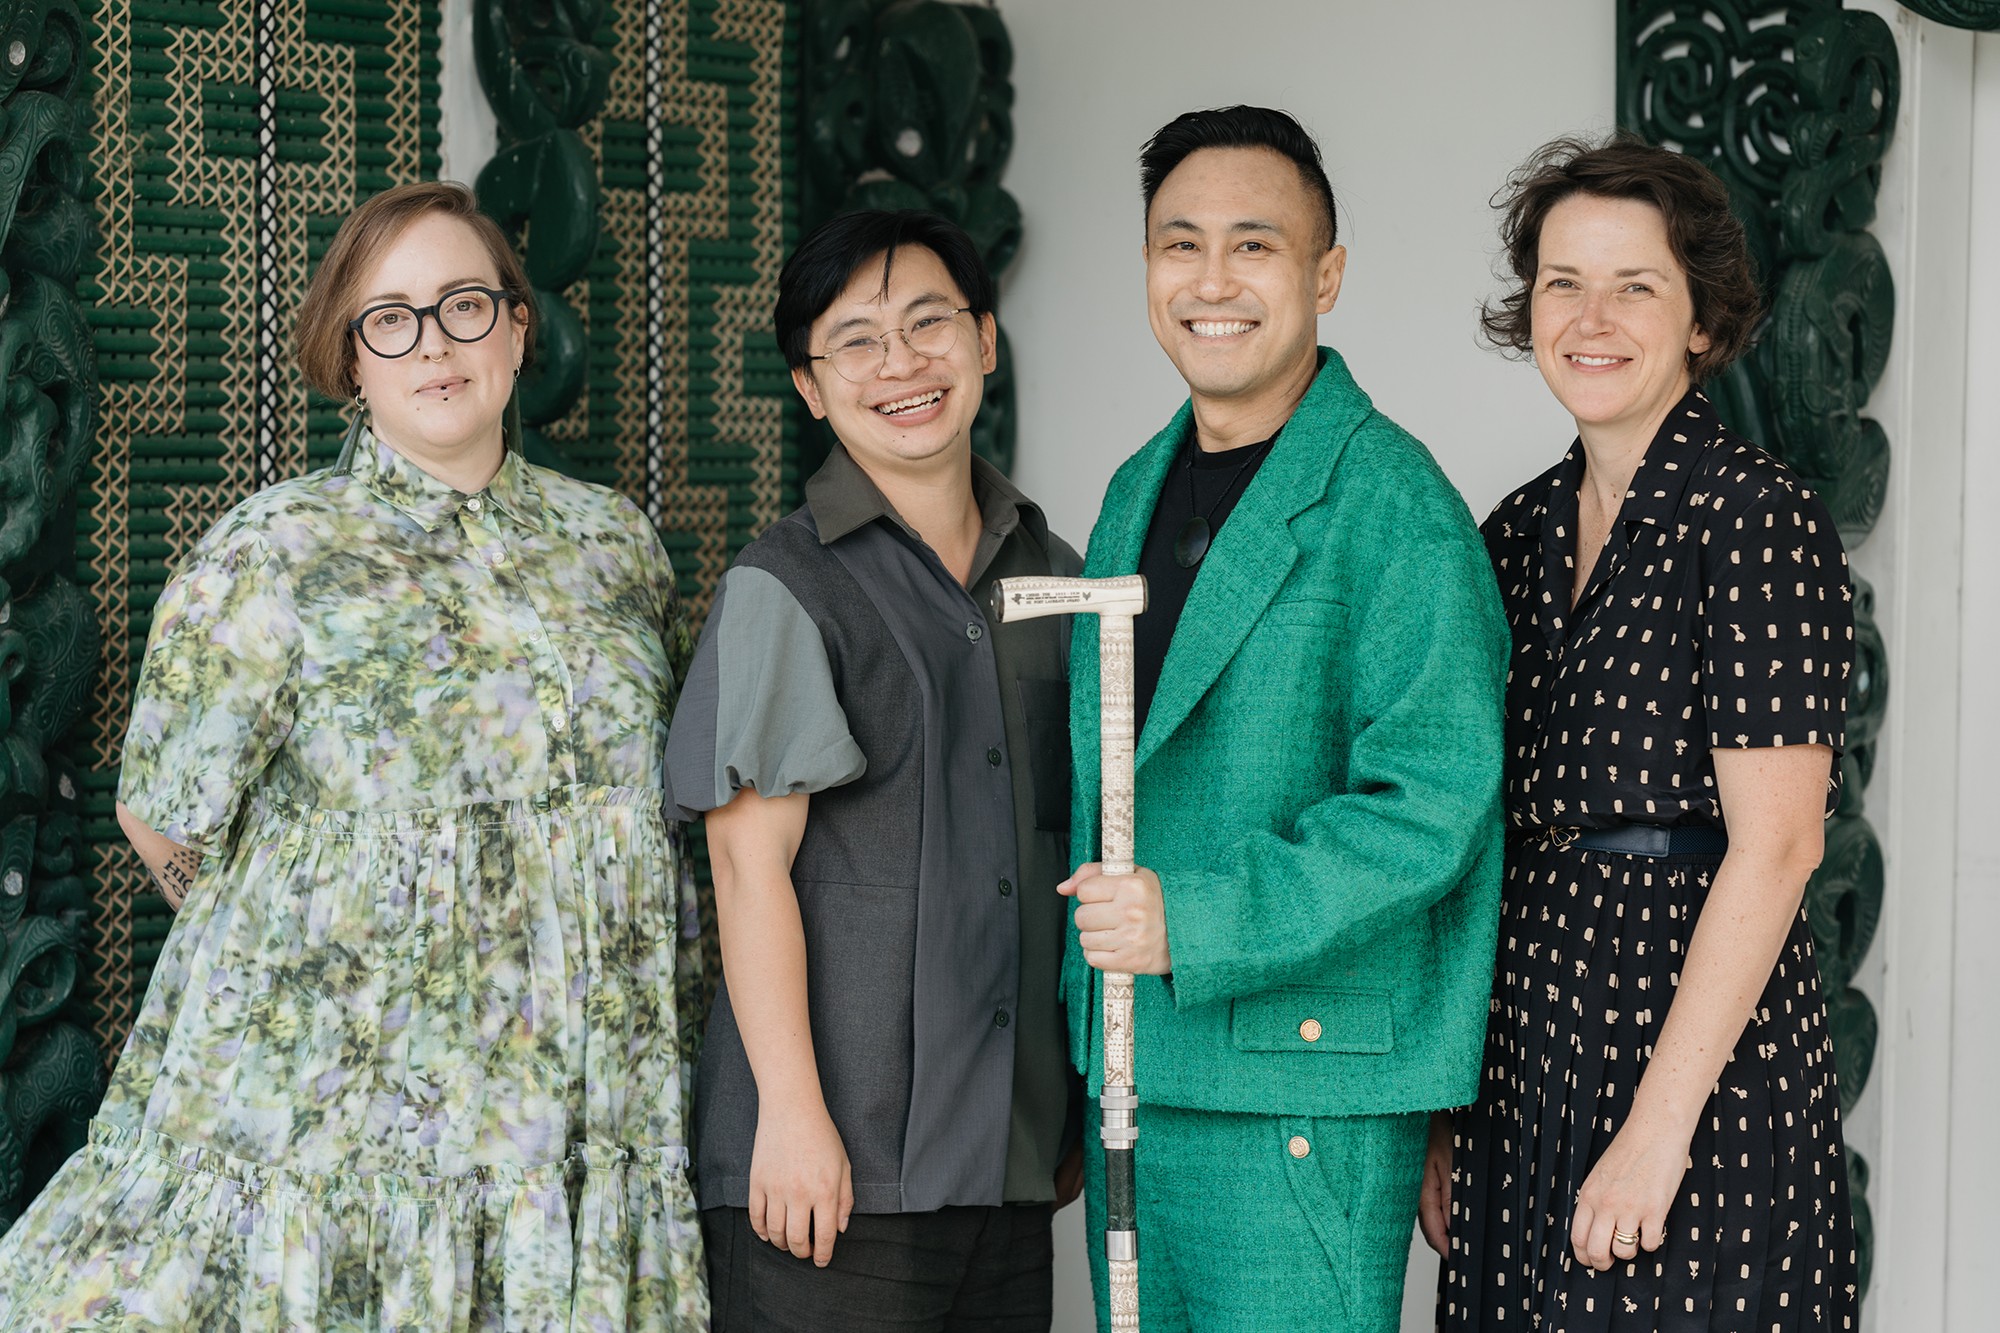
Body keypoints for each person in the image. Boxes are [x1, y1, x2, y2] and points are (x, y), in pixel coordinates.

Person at [0, 181, 709, 1328]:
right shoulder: (271, 552)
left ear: (518, 330)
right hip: (341, 1106)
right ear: (350, 357)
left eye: (464, 305)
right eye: (391, 318)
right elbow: (163, 817)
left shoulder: (615, 545)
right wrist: (302, 962)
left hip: (575, 1109)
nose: (433, 343)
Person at [1063, 105, 1508, 1332]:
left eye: (1252, 246)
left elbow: (1430, 808)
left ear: (1325, 275)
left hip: (1302, 1082)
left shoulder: (1393, 501)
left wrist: (1190, 918)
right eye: (1177, 244)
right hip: (1140, 1070)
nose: (1209, 281)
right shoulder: (1129, 491)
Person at [1423, 135, 1859, 1331]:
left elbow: (1775, 849)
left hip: (1695, 1073)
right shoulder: (1510, 532)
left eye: (1635, 285)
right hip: (1523, 1051)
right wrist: (1446, 1114)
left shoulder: (1753, 518)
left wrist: (1656, 1133)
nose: (1589, 317)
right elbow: (1468, 838)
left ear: (1701, 322)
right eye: (1562, 281)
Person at [664, 209, 1083, 1333]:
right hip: (830, 1174)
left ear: (985, 342)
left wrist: (1065, 1107)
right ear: (809, 386)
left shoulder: (1059, 576)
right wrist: (791, 1117)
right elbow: (748, 871)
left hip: (1006, 1161)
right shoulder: (784, 584)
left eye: (928, 322)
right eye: (854, 340)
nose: (900, 364)